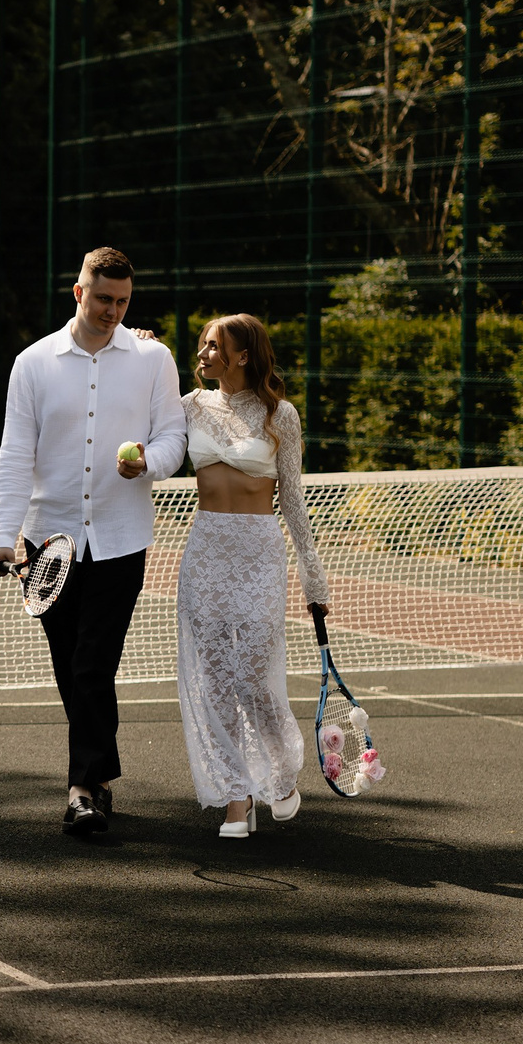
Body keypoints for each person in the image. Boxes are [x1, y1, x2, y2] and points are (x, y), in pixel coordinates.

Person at [0, 248, 186, 836]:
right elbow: (16, 455)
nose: (113, 311)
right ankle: (97, 778)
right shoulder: (32, 363)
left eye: (124, 302)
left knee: (94, 663)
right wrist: (1, 537)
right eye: (104, 299)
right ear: (78, 292)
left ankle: (81, 791)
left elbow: (173, 434)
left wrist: (148, 462)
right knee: (73, 668)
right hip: (47, 542)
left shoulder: (153, 358)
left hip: (123, 541)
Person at [176, 314, 330, 839]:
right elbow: (143, 426)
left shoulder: (279, 414)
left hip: (259, 554)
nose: (203, 353)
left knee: (253, 677)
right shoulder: (189, 407)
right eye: (202, 345)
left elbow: (294, 503)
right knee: (215, 677)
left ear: (243, 355)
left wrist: (315, 581)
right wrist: (139, 344)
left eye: (214, 346)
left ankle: (282, 777)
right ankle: (236, 799)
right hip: (206, 552)